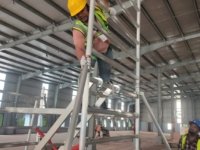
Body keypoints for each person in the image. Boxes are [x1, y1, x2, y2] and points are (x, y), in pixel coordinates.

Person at [67, 0, 112, 83]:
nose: (80, 15)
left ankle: (105, 88)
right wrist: (82, 61)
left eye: (82, 11)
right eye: (77, 14)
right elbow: (79, 47)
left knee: (106, 77)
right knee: (85, 77)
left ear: (87, 6)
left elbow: (104, 2)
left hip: (106, 49)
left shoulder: (97, 11)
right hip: (91, 53)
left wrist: (108, 7)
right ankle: (83, 87)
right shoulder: (78, 26)